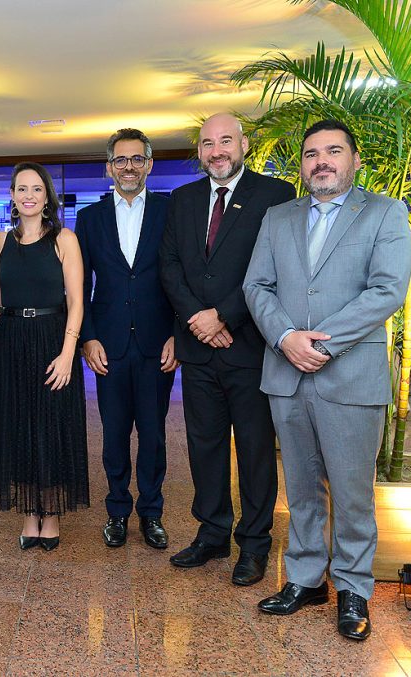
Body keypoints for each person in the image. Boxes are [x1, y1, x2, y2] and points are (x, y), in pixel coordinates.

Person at [244, 119, 411, 640]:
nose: (321, 161)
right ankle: (305, 579)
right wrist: (285, 337)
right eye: (312, 153)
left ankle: (354, 588)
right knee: (301, 488)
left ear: (354, 160)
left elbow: (387, 290)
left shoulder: (384, 212)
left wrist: (318, 343)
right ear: (302, 165)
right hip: (286, 373)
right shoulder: (278, 217)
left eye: (333, 151)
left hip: (351, 376)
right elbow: (256, 285)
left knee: (352, 491)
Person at [160, 113, 296, 585]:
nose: (216, 151)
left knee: (255, 450)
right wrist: (198, 319)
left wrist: (224, 316)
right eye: (207, 143)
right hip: (198, 349)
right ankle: (212, 532)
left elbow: (277, 266)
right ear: (199, 151)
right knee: (204, 446)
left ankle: (255, 544)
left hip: (249, 346)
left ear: (243, 144)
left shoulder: (275, 195)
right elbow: (170, 265)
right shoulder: (182, 199)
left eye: (225, 141)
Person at [75, 128, 179, 550]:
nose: (129, 167)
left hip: (158, 344)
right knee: (114, 434)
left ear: (149, 164)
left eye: (137, 159)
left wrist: (178, 334)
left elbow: (183, 277)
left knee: (153, 436)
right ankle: (117, 511)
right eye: (121, 160)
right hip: (109, 345)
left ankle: (151, 513)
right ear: (109, 168)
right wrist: (88, 338)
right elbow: (80, 285)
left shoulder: (171, 211)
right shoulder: (90, 218)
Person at [0, 162, 89, 551]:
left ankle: (52, 511)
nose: (29, 196)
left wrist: (68, 353)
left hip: (51, 340)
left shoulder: (65, 239)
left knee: (51, 427)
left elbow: (76, 302)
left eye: (36, 189)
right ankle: (29, 512)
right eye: (22, 189)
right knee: (19, 427)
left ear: (47, 197)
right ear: (12, 196)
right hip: (10, 341)